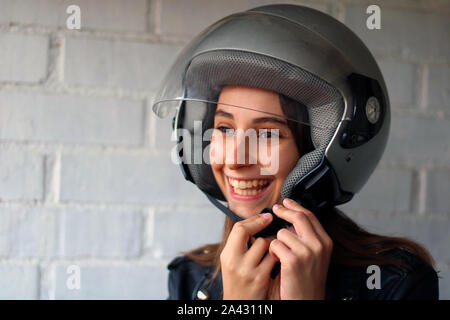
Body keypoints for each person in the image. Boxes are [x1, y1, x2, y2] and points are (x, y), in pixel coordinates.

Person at [152, 4, 439, 300]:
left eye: (267, 134)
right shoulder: (188, 278)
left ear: (318, 152)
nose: (235, 160)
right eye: (224, 129)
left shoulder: (397, 284)